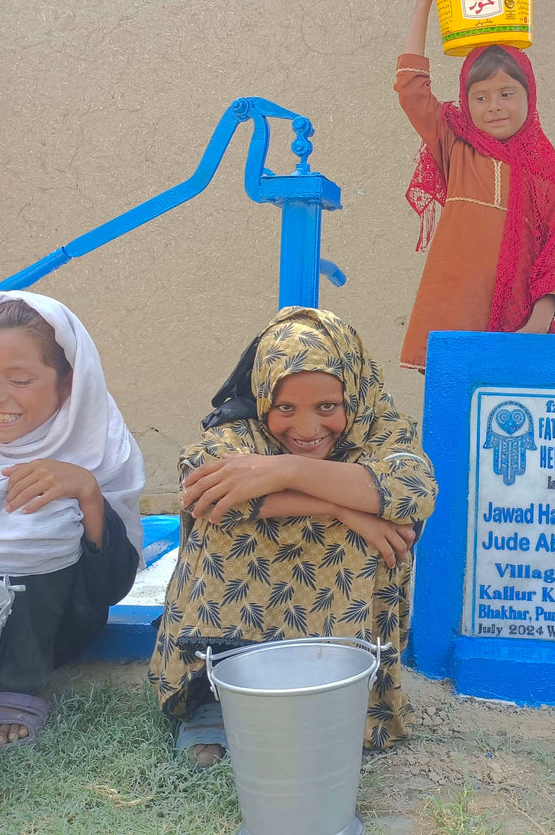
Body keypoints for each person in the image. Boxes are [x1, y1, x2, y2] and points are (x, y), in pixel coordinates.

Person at [147, 307, 437, 766]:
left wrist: (285, 470)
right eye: (285, 408)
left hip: (339, 623)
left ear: (352, 392)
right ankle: (211, 700)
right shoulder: (239, 431)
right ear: (263, 396)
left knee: (378, 531)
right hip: (242, 606)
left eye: (327, 407)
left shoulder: (382, 431)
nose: (306, 429)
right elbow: (201, 492)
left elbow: (413, 492)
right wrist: (340, 503)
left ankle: (334, 696)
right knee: (223, 524)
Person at [0, 292, 144, 745]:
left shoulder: (97, 443)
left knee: (50, 513)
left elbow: (110, 589)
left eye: (20, 380)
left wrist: (87, 491)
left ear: (68, 384)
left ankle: (18, 681)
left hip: (54, 624)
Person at [394, 0, 555, 371]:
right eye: (480, 97)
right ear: (465, 100)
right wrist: (424, 0)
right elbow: (411, 88)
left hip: (520, 336)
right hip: (452, 326)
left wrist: (536, 326)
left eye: (507, 93)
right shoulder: (455, 142)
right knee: (453, 427)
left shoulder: (548, 175)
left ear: (530, 98)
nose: (494, 107)